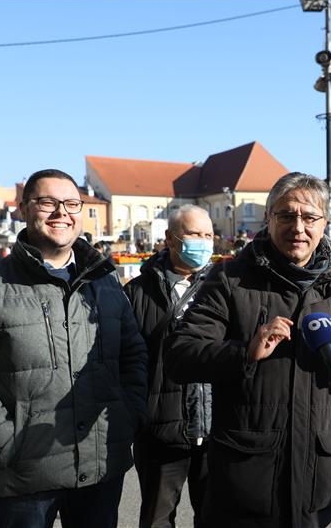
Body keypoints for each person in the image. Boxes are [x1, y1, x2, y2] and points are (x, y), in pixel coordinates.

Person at [164, 173, 331, 528]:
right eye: (286, 216)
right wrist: (244, 352)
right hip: (245, 478)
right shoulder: (230, 279)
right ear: (269, 219)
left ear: (324, 223)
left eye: (310, 218)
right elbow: (179, 355)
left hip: (319, 478)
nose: (298, 227)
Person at [0, 169, 148, 528]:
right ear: (23, 209)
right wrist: (7, 443)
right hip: (26, 475)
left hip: (100, 467)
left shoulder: (106, 283)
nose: (60, 212)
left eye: (71, 203)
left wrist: (128, 417)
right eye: (47, 202)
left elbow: (134, 356)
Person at [125, 205, 214, 528]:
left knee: (218, 516)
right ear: (170, 239)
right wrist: (138, 415)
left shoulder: (224, 288)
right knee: (157, 518)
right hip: (161, 430)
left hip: (217, 429)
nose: (202, 242)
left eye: (208, 235)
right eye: (193, 234)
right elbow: (126, 362)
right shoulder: (137, 293)